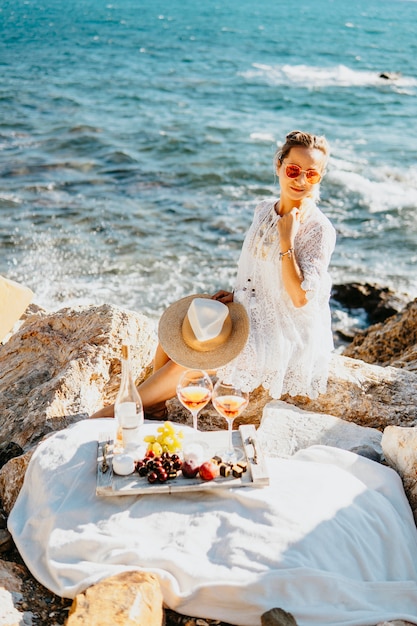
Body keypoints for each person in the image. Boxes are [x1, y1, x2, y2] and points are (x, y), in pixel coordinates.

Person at [91, 129, 335, 419]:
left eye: (312, 174)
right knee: (180, 329)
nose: (301, 180)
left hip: (283, 331)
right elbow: (262, 272)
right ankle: (154, 405)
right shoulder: (263, 211)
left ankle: (118, 410)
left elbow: (299, 298)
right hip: (251, 306)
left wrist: (287, 242)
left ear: (319, 178)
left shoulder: (318, 229)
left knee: (195, 354)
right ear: (279, 166)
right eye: (294, 169)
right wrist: (238, 295)